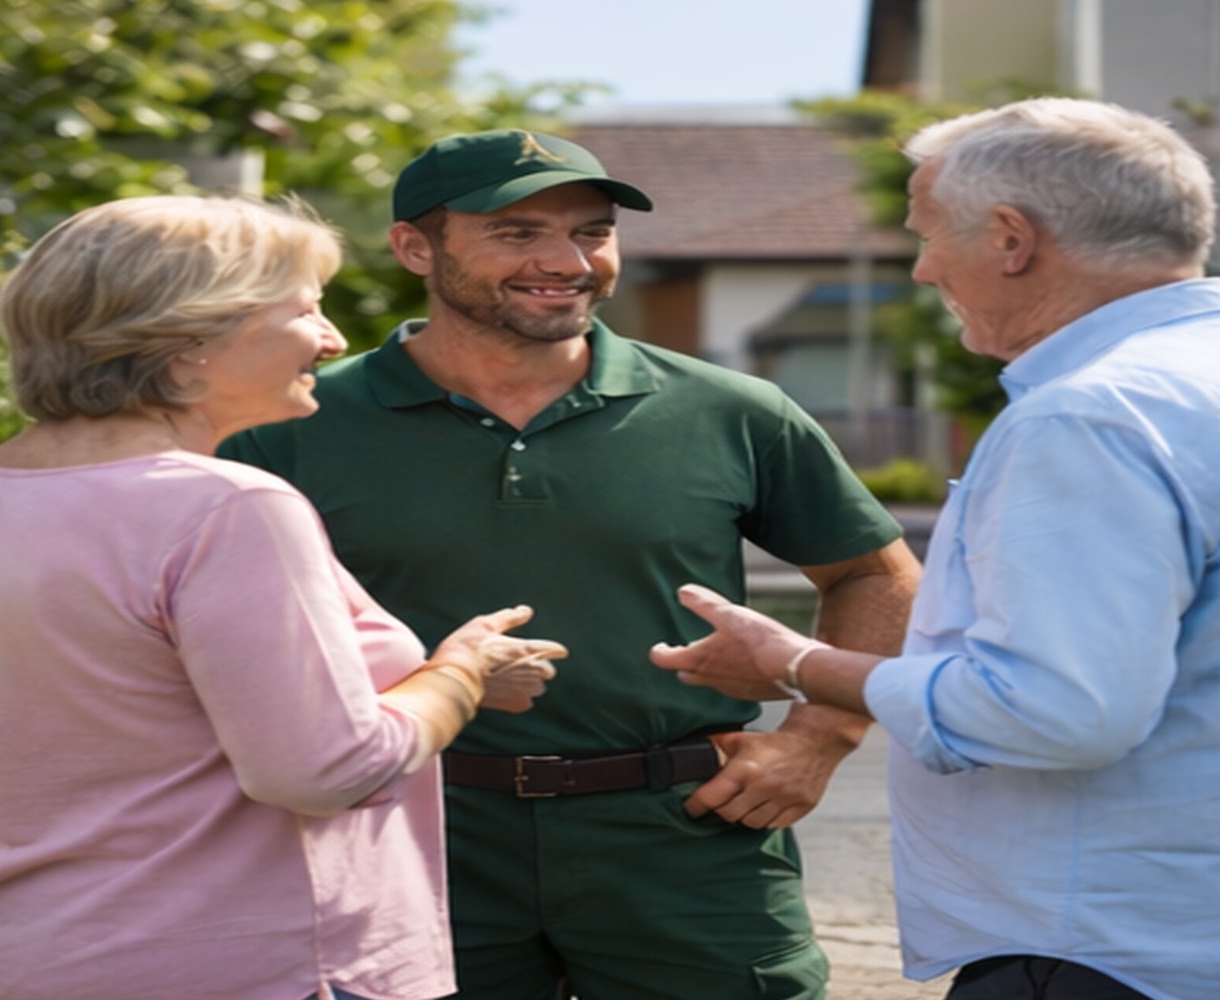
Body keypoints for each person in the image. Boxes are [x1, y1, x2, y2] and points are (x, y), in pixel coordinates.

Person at [650, 97, 1220, 1000]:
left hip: (1125, 947)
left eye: (926, 236)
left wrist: (800, 663)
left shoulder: (1092, 413)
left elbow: (1055, 713)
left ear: (1011, 238)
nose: (923, 271)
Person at [220, 129, 923, 999]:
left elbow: (875, 574)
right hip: (408, 829)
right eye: (516, 234)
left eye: (592, 231)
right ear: (415, 248)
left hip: (683, 834)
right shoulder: (288, 424)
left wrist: (819, 740)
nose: (567, 260)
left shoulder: (733, 410)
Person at [0, 194, 567, 1000]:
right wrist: (455, 678)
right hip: (240, 966)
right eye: (307, 311)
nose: (333, 339)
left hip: (5, 960)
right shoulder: (229, 505)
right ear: (189, 346)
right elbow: (325, 770)